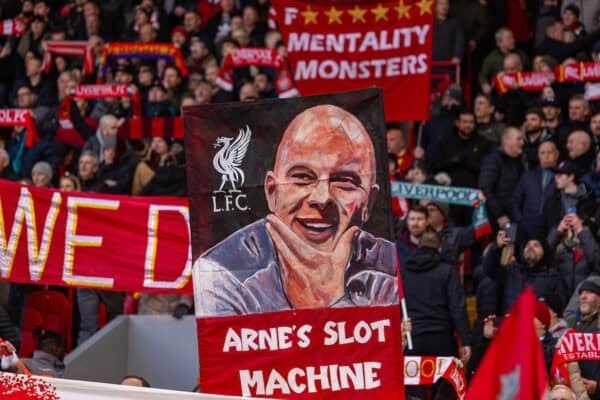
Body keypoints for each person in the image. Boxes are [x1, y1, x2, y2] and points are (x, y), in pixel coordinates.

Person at [194, 105, 398, 316]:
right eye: (302, 177)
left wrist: (332, 300)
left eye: (344, 181)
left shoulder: (392, 268)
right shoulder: (220, 273)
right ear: (272, 192)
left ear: (369, 202)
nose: (321, 199)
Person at [402, 232, 470, 399]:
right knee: (443, 391)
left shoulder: (404, 271)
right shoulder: (447, 271)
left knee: (414, 392)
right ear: (439, 249)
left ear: (419, 247)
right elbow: (457, 308)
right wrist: (466, 341)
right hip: (442, 339)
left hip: (413, 339)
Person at [483, 230, 564, 314]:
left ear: (545, 252)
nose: (530, 247)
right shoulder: (512, 271)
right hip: (511, 324)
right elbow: (489, 269)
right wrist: (497, 246)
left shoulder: (553, 277)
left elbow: (559, 306)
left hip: (537, 326)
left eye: (536, 245)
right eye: (527, 245)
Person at [479, 126, 525, 230]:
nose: (522, 142)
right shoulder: (493, 160)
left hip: (516, 217)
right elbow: (486, 188)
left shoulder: (520, 162)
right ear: (506, 140)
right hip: (498, 220)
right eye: (518, 139)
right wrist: (499, 214)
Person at [513, 140, 559, 241]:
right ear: (538, 156)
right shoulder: (528, 176)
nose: (546, 156)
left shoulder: (562, 176)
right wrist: (521, 221)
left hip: (553, 229)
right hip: (528, 228)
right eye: (542, 153)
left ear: (557, 154)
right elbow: (516, 201)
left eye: (549, 152)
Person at [566, 278, 600, 399]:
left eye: (589, 292)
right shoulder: (569, 323)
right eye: (581, 293)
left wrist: (598, 386)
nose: (583, 296)